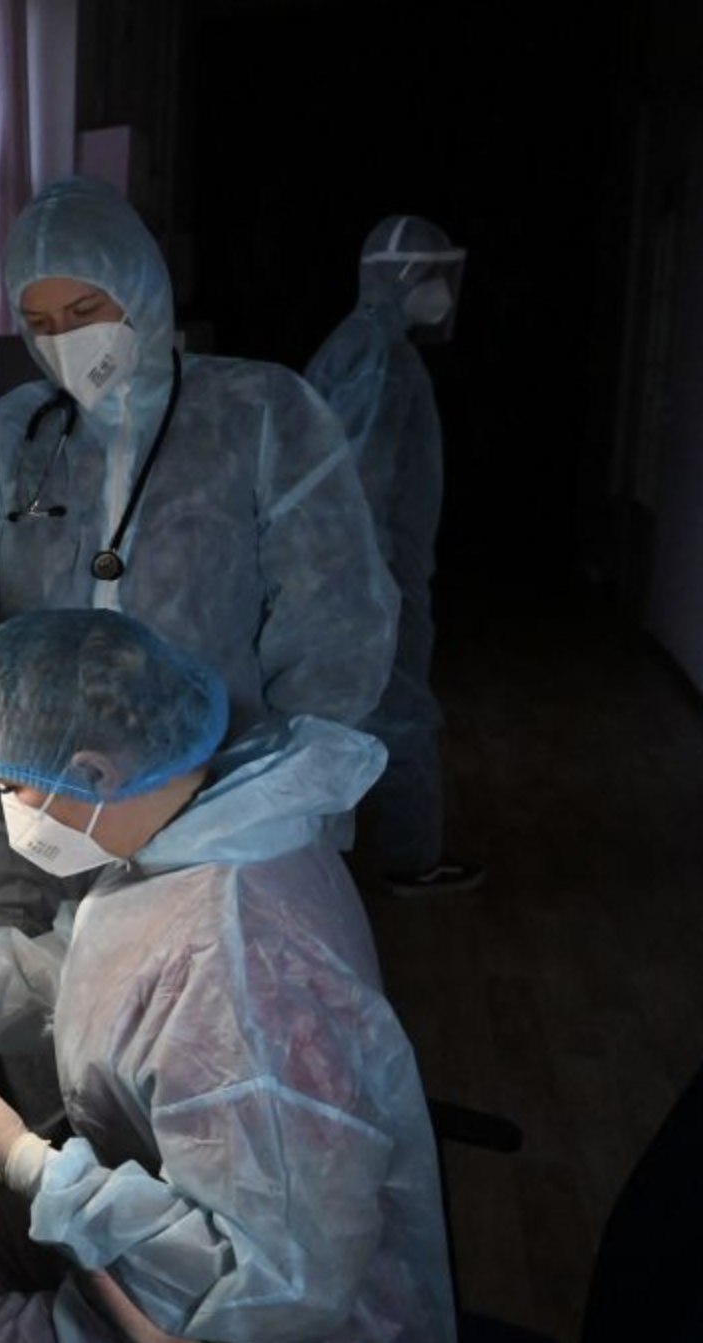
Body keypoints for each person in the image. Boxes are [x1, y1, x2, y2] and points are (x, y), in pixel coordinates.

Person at [0, 609, 454, 1343]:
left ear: (92, 771)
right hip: (154, 1235)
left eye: (12, 787)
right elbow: (96, 974)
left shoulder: (242, 961)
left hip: (240, 1317)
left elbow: (264, 1289)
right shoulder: (196, 834)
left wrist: (25, 1162)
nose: (9, 807)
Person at [0, 174, 398, 938]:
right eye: (40, 321)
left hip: (203, 819)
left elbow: (334, 632)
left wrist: (273, 810)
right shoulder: (12, 442)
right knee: (13, 1016)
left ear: (144, 289)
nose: (67, 341)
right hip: (22, 832)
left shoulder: (262, 420)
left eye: (87, 312)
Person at [305, 215, 485, 897]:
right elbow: (367, 480)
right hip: (369, 575)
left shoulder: (357, 345)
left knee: (343, 713)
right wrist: (373, 585)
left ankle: (325, 871)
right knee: (400, 711)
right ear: (406, 276)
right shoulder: (381, 357)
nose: (442, 290)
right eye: (433, 273)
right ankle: (415, 859)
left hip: (344, 572)